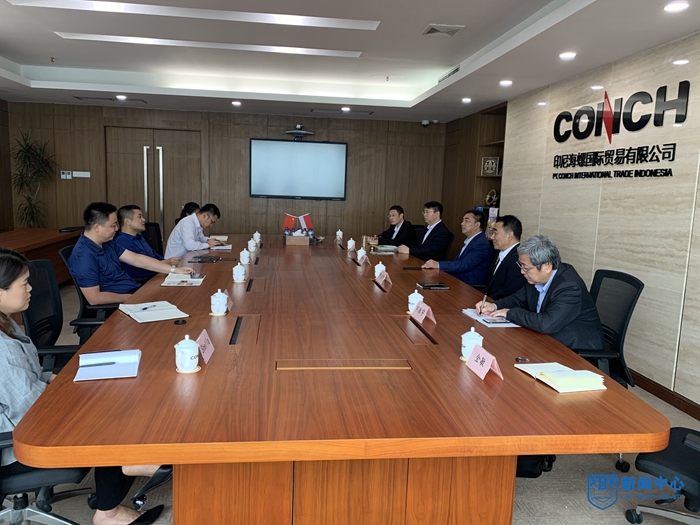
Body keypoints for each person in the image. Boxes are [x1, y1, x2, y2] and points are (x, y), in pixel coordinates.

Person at [0, 248, 164, 525]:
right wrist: (82, 396)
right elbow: (30, 409)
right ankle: (109, 511)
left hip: (24, 420)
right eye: (24, 283)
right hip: (18, 443)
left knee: (107, 393)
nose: (30, 289)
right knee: (107, 413)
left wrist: (58, 380)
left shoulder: (6, 324)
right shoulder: (2, 348)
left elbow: (26, 378)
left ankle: (128, 462)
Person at [476, 235, 604, 351]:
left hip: (576, 351)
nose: (522, 272)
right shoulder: (536, 278)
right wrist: (494, 306)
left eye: (526, 268)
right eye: (521, 266)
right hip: (546, 340)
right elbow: (517, 299)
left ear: (547, 266)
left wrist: (509, 313)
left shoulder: (569, 287)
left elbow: (546, 324)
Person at [68, 202, 194, 306]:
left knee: (182, 295)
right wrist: (132, 298)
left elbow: (136, 259)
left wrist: (174, 270)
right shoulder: (83, 256)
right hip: (121, 304)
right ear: (97, 228)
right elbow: (94, 298)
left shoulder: (108, 243)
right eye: (113, 225)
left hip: (135, 291)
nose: (117, 229)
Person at [421, 209, 492, 286]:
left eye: (466, 221)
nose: (462, 223)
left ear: (477, 225)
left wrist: (438, 265)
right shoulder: (471, 240)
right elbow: (458, 263)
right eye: (462, 220)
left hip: (468, 286)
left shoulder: (481, 244)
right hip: (457, 280)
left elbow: (464, 265)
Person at [115, 205, 181, 281]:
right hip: (143, 280)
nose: (144, 220)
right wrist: (165, 263)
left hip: (156, 274)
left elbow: (153, 254)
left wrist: (167, 262)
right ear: (127, 221)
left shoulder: (139, 237)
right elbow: (137, 268)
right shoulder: (122, 241)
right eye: (139, 217)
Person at [482, 215, 527, 300]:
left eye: (495, 232)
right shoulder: (498, 252)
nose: (492, 237)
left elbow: (510, 293)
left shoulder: (519, 259)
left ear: (509, 236)